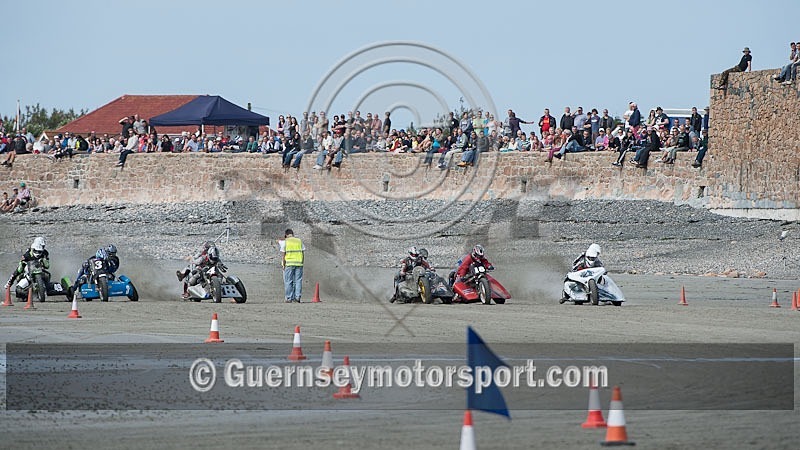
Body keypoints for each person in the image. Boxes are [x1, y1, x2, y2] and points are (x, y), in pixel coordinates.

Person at [280, 228, 305, 303]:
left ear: (286, 235)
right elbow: (303, 253)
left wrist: (283, 265)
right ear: (293, 234)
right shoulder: (299, 241)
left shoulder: (285, 242)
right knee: (298, 281)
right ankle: (297, 297)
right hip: (299, 263)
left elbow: (283, 255)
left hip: (289, 263)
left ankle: (289, 298)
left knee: (288, 281)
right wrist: (302, 262)